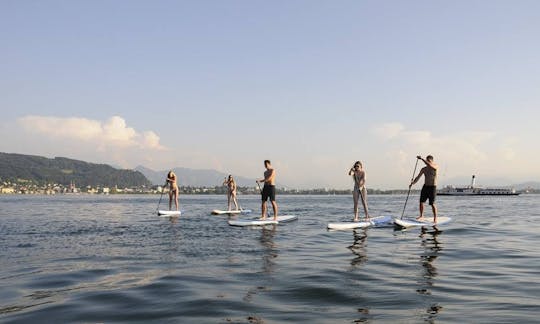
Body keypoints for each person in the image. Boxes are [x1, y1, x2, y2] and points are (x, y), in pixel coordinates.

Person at [409, 155, 438, 222]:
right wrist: (412, 183)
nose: (428, 162)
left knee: (432, 203)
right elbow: (418, 177)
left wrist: (421, 159)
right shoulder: (424, 169)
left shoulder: (435, 166)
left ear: (432, 161)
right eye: (427, 160)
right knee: (421, 202)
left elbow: (430, 165)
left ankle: (435, 218)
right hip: (425, 187)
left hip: (433, 187)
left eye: (429, 161)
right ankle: (421, 215)